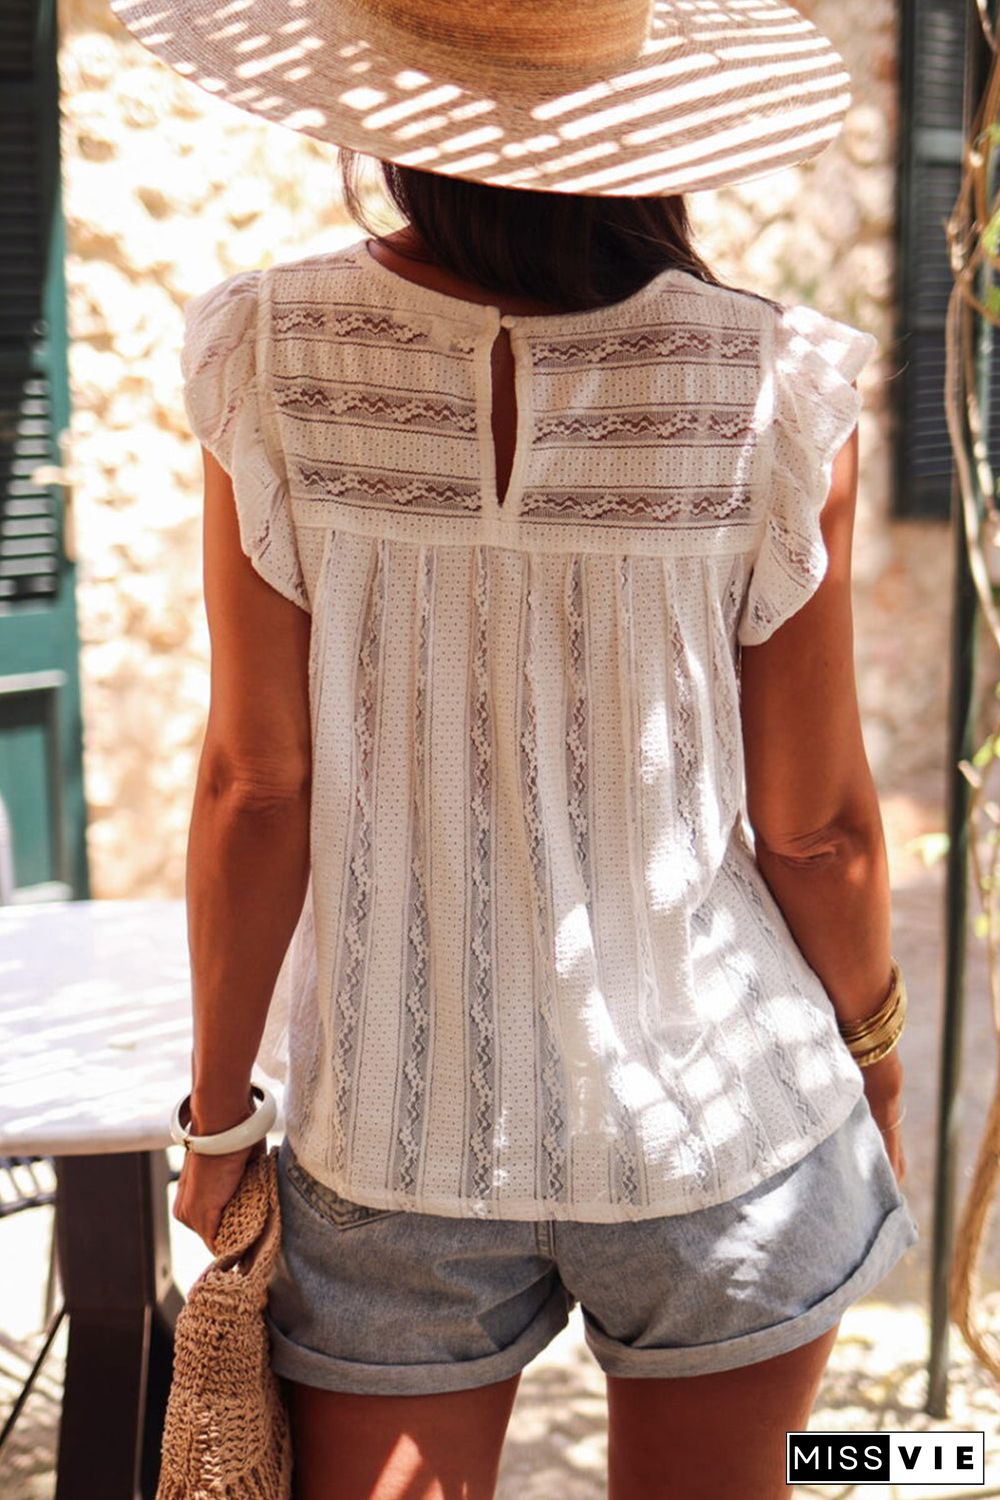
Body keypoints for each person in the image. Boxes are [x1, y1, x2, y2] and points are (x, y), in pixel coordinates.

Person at [114, 0, 919, 1493]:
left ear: (397, 113)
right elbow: (818, 827)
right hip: (720, 1127)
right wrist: (868, 1046)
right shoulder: (771, 385)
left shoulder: (271, 354)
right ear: (647, 120)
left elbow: (252, 787)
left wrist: (219, 1115)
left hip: (393, 1133)